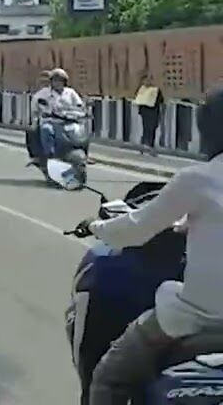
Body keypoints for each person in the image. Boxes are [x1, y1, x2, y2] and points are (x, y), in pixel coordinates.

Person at [74, 86, 223, 405]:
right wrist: (188, 226)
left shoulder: (197, 179)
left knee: (109, 379)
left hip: (198, 317)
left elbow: (135, 229)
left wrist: (95, 226)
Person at [38, 69, 86, 158]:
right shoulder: (45, 93)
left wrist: (82, 112)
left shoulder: (71, 92)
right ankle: (50, 155)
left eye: (60, 81)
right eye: (55, 80)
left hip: (69, 121)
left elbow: (79, 105)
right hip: (52, 121)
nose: (58, 83)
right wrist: (44, 110)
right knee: (46, 129)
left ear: (65, 82)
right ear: (51, 82)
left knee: (81, 133)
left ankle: (84, 154)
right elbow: (37, 103)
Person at [136, 75, 165, 155]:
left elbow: (161, 100)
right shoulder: (142, 89)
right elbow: (139, 100)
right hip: (147, 112)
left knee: (151, 129)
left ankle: (148, 146)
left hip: (153, 112)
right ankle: (146, 146)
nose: (147, 82)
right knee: (147, 129)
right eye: (146, 80)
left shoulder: (155, 90)